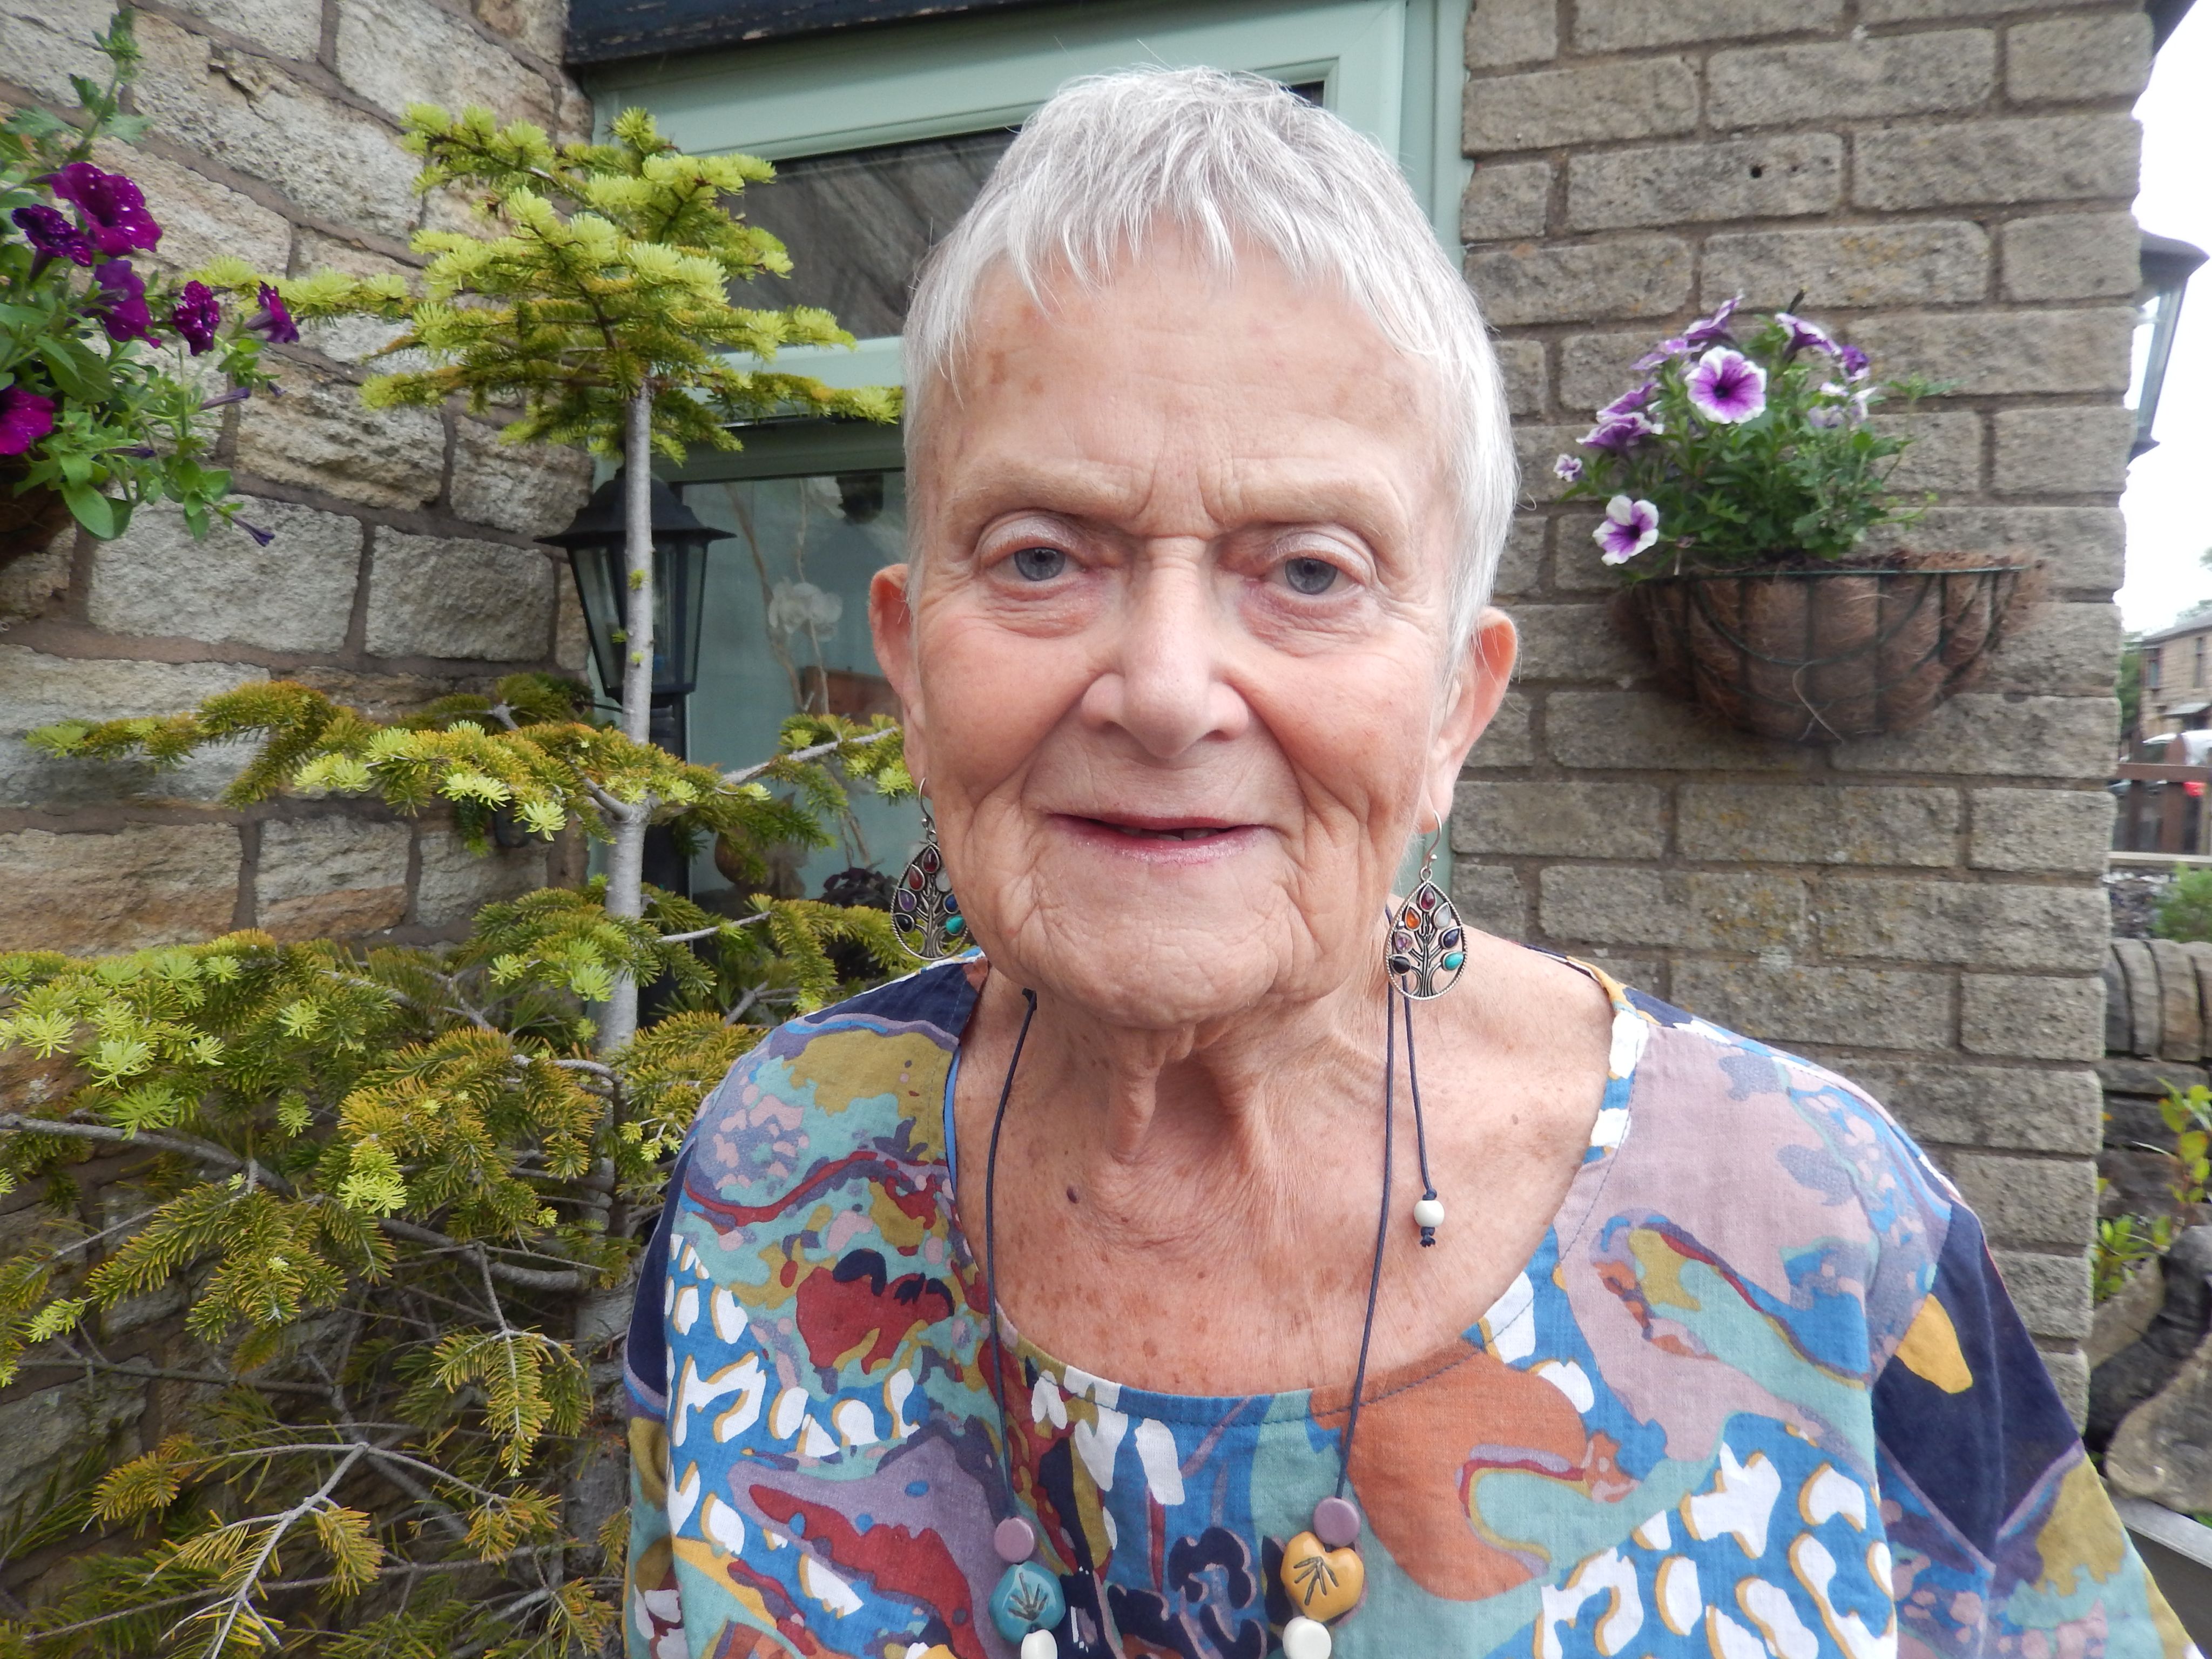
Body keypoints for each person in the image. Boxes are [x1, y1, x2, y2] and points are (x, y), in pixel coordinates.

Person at [622, 67, 2191, 1659]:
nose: (1165, 692)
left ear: (1455, 702)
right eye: (1040, 557)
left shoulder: (1818, 1231)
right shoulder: (770, 1178)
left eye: (1308, 569)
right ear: (909, 663)